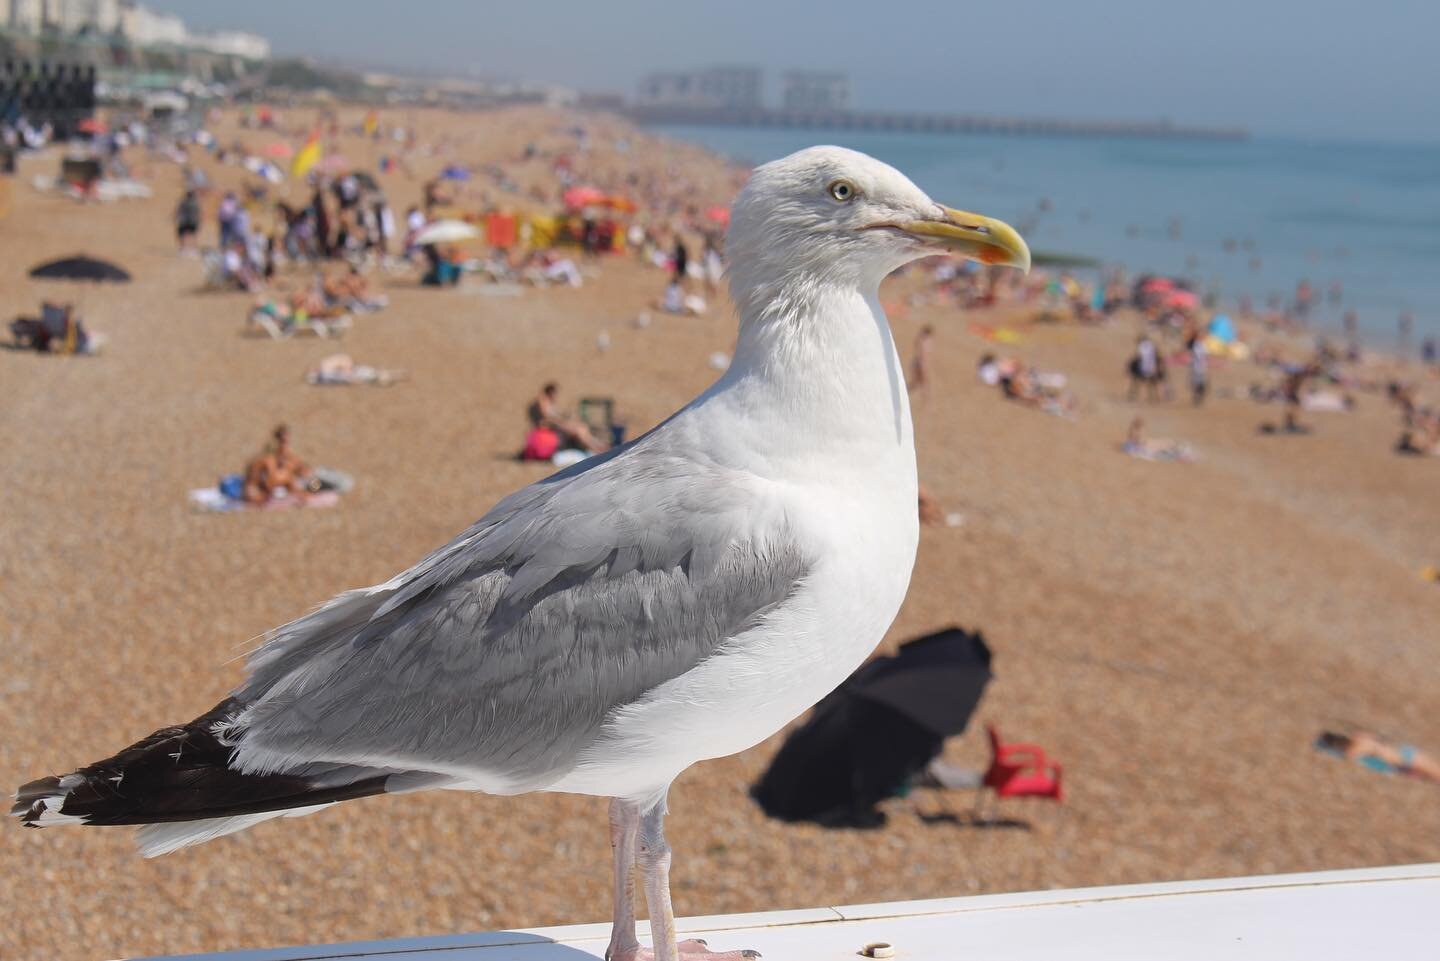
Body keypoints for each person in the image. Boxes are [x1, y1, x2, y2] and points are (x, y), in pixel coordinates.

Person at [1315, 730, 1440, 784]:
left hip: (1405, 760)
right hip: (1403, 760)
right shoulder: (1358, 738)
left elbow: (1378, 760)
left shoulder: (1354, 752)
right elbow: (1377, 738)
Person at [527, 382, 607, 455]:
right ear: (550, 392)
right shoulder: (543, 401)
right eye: (555, 393)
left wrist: (564, 416)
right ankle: (597, 448)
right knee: (579, 430)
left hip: (557, 424)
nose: (556, 395)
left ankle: (598, 446)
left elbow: (556, 415)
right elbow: (547, 417)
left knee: (582, 427)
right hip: (553, 426)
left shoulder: (549, 402)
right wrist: (561, 421)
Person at [243, 425, 314, 505]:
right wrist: (262, 498)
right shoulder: (263, 461)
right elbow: (251, 487)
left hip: (285, 497)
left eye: (287, 442)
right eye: (282, 442)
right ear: (274, 442)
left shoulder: (292, 460)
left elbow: (308, 478)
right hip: (265, 497)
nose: (285, 447)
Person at [1127, 334, 1163, 402]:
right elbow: (1157, 356)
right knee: (1152, 383)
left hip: (1143, 367)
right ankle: (1154, 397)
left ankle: (1133, 394)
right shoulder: (1152, 345)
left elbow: (1138, 357)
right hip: (1152, 367)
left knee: (1136, 380)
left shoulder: (1141, 346)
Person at [908, 325, 934, 398]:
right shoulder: (924, 341)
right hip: (921, 363)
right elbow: (923, 355)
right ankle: (926, 399)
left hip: (920, 363)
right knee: (923, 383)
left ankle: (926, 399)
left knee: (919, 383)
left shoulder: (925, 341)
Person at [174, 189, 200, 253]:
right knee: (193, 236)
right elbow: (199, 213)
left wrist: (175, 218)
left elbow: (178, 211)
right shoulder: (196, 203)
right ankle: (193, 249)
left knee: (183, 235)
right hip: (193, 221)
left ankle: (183, 248)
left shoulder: (183, 202)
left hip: (184, 221)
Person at [1186, 332, 1208, 406]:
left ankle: (1199, 396)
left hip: (1201, 367)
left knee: (1201, 384)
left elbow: (1204, 356)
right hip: (1196, 367)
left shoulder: (1203, 344)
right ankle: (1196, 396)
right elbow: (1198, 356)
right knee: (1196, 383)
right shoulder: (1196, 345)